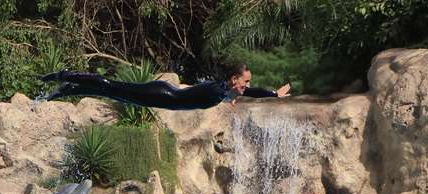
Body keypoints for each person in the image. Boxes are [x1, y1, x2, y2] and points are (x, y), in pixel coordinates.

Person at [41, 63, 291, 110]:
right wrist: (272, 94)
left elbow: (248, 92)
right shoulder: (218, 89)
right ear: (235, 79)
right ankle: (67, 76)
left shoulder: (221, 89)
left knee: (109, 91)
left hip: (160, 97)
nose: (248, 85)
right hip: (159, 94)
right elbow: (246, 92)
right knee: (110, 85)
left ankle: (68, 90)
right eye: (245, 81)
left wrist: (271, 94)